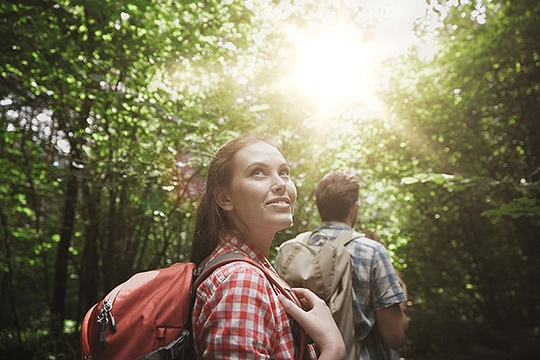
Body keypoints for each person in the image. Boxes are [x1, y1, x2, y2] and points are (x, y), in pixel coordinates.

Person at [190, 134, 345, 360]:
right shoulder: (241, 280)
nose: (281, 183)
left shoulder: (248, 270)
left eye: (284, 172)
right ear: (225, 198)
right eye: (258, 172)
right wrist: (333, 347)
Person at [309, 170, 409, 359]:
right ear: (354, 208)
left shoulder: (292, 249)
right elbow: (395, 336)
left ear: (320, 207)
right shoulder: (371, 251)